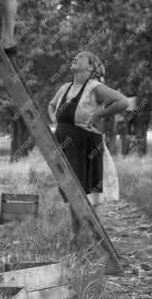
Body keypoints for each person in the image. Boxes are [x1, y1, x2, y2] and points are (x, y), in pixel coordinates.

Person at [48, 51, 131, 244]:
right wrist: (54, 120)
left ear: (90, 67)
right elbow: (51, 106)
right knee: (71, 192)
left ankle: (92, 240)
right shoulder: (65, 88)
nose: (75, 57)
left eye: (81, 57)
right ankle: (79, 238)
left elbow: (123, 102)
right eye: (74, 56)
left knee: (87, 196)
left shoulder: (94, 88)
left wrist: (99, 115)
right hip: (66, 146)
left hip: (86, 146)